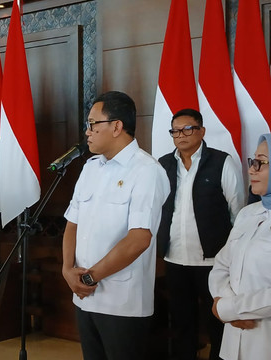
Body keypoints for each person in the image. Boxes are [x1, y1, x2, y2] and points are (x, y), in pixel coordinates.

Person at [61, 91, 170, 360]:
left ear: (117, 126)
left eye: (92, 124)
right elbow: (72, 223)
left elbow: (139, 239)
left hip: (122, 301)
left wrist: (90, 277)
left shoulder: (146, 171)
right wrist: (67, 269)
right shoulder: (90, 167)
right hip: (84, 296)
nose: (87, 132)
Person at [156, 108, 244, 360]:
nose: (180, 135)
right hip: (174, 259)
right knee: (182, 322)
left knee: (216, 320)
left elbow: (238, 211)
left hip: (213, 261)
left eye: (187, 129)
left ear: (201, 131)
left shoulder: (221, 162)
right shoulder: (163, 164)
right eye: (175, 130)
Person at [208, 133, 271, 360]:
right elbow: (221, 265)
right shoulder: (248, 214)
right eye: (252, 161)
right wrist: (223, 303)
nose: (252, 169)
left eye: (261, 162)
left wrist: (230, 309)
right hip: (232, 341)